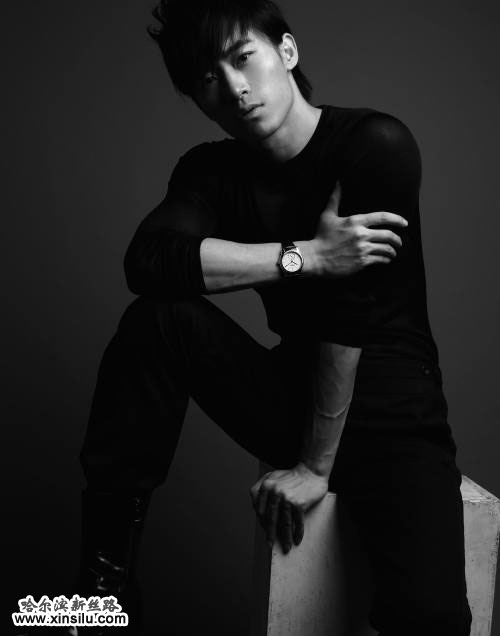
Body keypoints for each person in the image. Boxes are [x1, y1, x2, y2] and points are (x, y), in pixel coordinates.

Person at [74, 1, 472, 635]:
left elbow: (352, 314)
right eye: (209, 78)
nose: (234, 87)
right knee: (159, 320)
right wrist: (307, 256)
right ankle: (102, 591)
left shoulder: (374, 143)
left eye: (243, 58)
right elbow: (149, 260)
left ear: (286, 52)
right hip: (290, 397)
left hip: (393, 416)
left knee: (431, 619)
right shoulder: (210, 171)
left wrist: (315, 468)